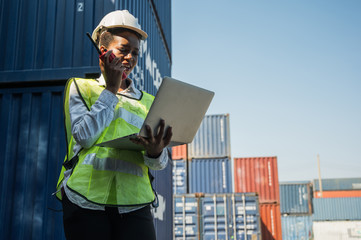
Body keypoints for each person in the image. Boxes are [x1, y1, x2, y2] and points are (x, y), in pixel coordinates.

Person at [55, 10, 172, 240]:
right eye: (123, 50)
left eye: (135, 53)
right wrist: (110, 89)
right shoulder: (81, 88)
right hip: (86, 201)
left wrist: (156, 151)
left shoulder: (149, 101)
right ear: (103, 51)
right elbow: (84, 136)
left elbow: (160, 164)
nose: (130, 58)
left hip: (135, 204)